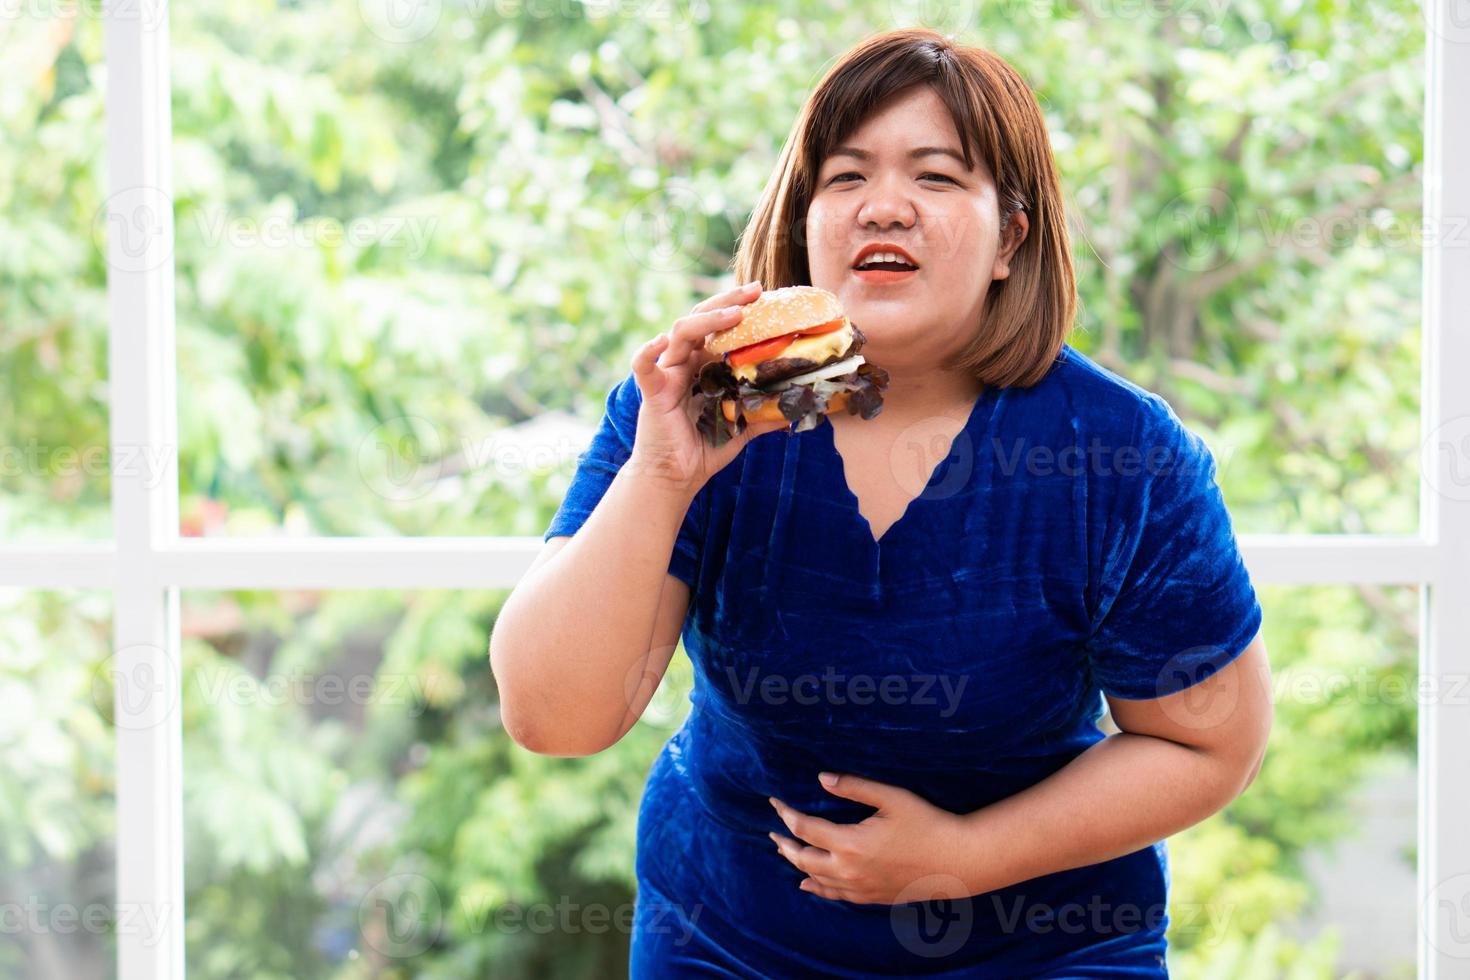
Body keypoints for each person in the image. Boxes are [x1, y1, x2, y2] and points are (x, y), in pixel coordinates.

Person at [490, 27, 1274, 979]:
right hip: (730, 939)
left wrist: (963, 858)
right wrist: (664, 474)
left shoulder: (1122, 455)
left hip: (1046, 950)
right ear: (806, 218)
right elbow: (553, 718)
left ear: (1008, 237)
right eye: (846, 177)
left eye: (937, 178)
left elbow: (1210, 748)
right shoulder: (687, 407)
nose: (884, 208)